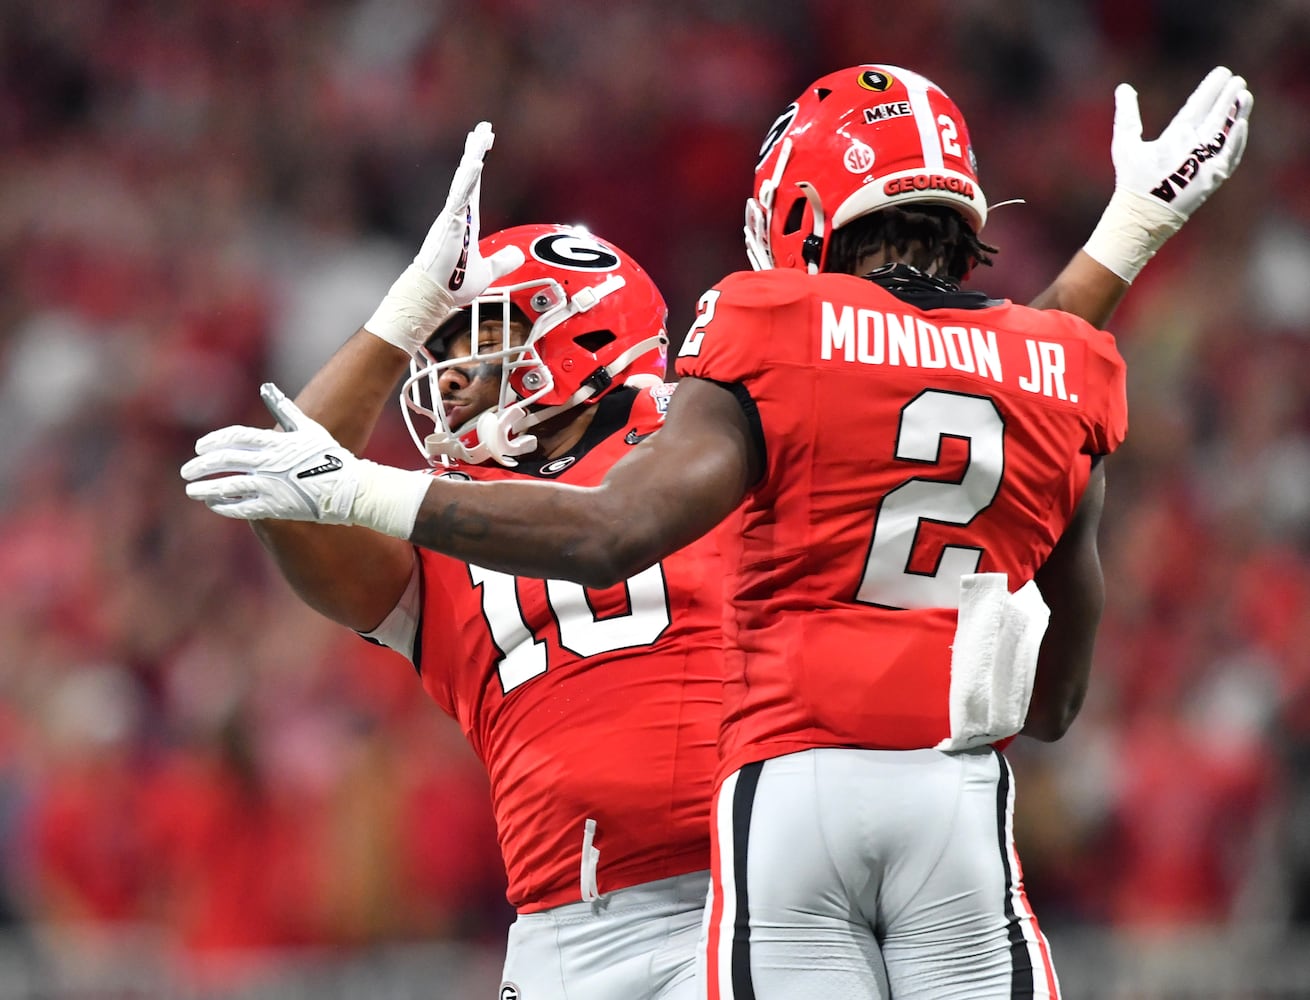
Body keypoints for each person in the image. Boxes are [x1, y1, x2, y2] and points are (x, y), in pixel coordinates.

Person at [182, 64, 1250, 1000]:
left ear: (576, 324)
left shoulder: (721, 420)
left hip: (755, 885)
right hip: (568, 929)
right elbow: (289, 480)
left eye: (475, 336)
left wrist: (1118, 244)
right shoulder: (465, 518)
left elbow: (945, 378)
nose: (447, 376)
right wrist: (398, 313)